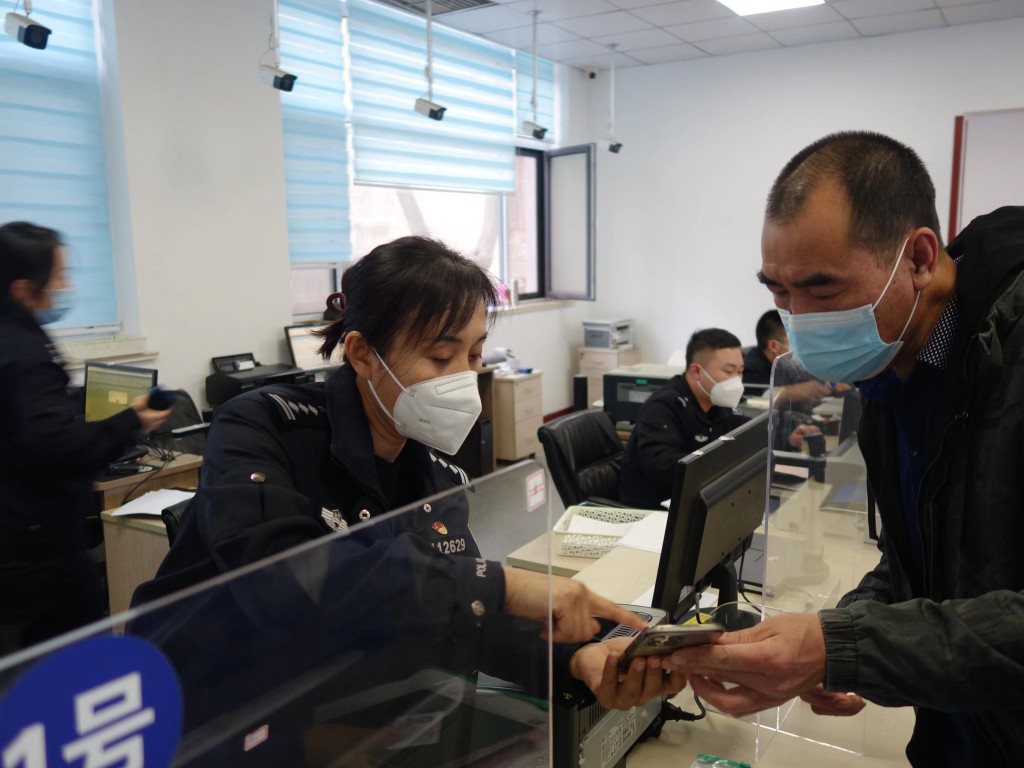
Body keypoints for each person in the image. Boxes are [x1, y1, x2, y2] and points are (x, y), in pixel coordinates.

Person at [134, 236, 683, 730]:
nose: (464, 378)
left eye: (472, 354)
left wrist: (573, 661)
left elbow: (457, 611)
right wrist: (506, 586)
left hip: (344, 714)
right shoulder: (263, 426)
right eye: (441, 355)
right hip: (210, 715)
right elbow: (283, 581)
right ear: (362, 354)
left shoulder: (434, 468)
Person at [665, 131, 1024, 766]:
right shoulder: (894, 369)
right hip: (962, 735)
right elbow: (925, 560)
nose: (798, 321)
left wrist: (846, 647)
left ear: (916, 257)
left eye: (822, 291)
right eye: (779, 293)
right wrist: (848, 632)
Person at [0, 222, 171, 655]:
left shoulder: (15, 336)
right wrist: (129, 420)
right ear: (23, 288)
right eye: (59, 277)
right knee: (79, 664)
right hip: (36, 551)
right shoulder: (21, 352)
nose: (65, 287)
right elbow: (55, 446)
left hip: (16, 539)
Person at [618, 328, 749, 509]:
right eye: (729, 371)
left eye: (740, 372)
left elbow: (749, 432)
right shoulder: (662, 406)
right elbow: (663, 465)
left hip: (700, 500)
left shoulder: (717, 403)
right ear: (696, 371)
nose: (736, 380)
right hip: (654, 509)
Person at [743, 309, 834, 403]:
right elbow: (755, 401)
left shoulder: (783, 365)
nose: (800, 347)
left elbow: (807, 379)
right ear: (774, 346)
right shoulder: (751, 369)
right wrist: (792, 392)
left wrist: (830, 384)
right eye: (794, 341)